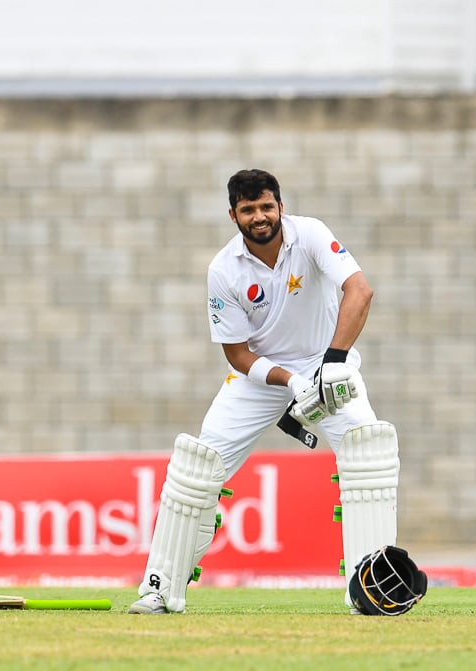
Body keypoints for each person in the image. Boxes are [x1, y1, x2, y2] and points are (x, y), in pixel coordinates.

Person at [129, 169, 400, 615]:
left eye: (266, 207)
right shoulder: (223, 269)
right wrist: (291, 382)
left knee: (367, 452)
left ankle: (373, 592)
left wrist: (331, 363)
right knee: (197, 469)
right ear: (233, 215)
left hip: (326, 365)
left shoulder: (310, 234)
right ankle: (160, 589)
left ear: (280, 207)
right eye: (249, 210)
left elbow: (360, 291)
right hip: (258, 379)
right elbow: (236, 354)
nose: (260, 216)